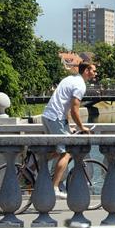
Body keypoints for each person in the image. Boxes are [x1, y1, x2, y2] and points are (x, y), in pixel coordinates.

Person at [41, 61, 97, 199]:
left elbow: (63, 103)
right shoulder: (80, 85)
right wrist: (82, 127)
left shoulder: (69, 79)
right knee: (66, 153)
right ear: (86, 71)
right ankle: (54, 187)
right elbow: (74, 109)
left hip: (49, 116)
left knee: (57, 150)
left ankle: (32, 166)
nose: (95, 73)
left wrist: (68, 125)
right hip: (55, 118)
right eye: (93, 70)